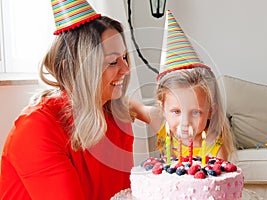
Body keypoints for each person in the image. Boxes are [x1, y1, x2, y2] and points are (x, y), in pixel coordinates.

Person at [0, 1, 161, 199]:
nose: (126, 69)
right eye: (112, 61)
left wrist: (148, 112)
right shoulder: (35, 129)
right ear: (74, 69)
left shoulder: (111, 110)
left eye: (124, 57)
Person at [156, 10, 236, 162]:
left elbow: (219, 183)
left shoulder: (216, 149)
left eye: (196, 112)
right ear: (162, 109)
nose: (185, 122)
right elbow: (131, 106)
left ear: (211, 111)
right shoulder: (163, 130)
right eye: (176, 111)